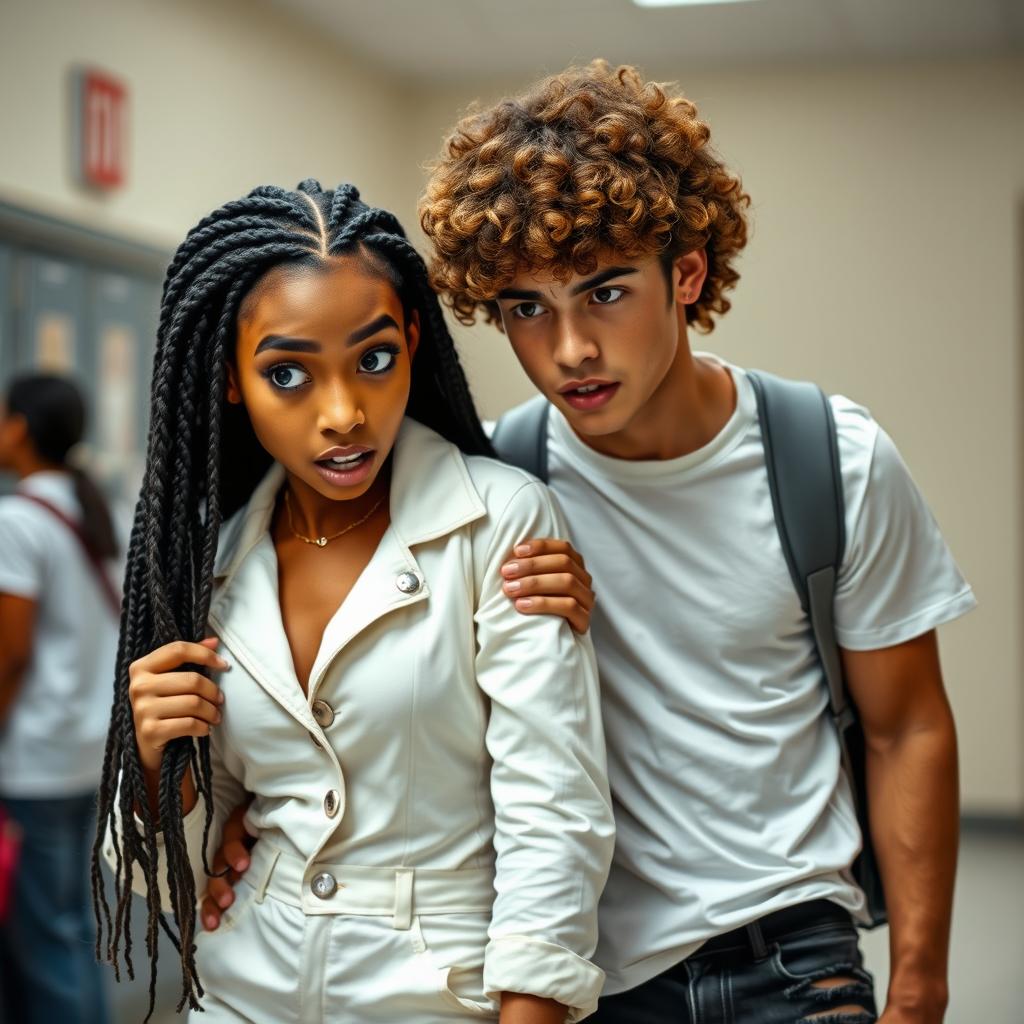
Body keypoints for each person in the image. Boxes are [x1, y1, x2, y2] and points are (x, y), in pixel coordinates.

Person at [413, 62, 973, 1023]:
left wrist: (920, 990)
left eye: (604, 293)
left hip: (796, 956)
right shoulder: (498, 484)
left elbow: (907, 726)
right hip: (588, 970)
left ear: (687, 273)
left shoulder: (828, 460)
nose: (570, 349)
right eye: (526, 309)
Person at [95, 180, 614, 1024]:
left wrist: (533, 1008)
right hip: (241, 993)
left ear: (412, 342)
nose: (343, 414)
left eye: (374, 361)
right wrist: (153, 768)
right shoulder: (207, 557)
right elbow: (181, 877)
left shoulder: (499, 522)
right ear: (232, 380)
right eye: (289, 374)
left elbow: (552, 810)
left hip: (435, 995)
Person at [0, 373, 119, 1024]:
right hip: (87, 752)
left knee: (47, 938)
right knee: (69, 929)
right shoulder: (92, 507)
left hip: (34, 761)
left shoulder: (18, 519)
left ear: (19, 426)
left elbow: (11, 653)